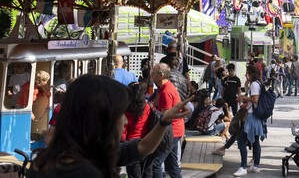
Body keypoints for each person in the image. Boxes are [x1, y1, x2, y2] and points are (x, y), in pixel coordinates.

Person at [28, 75, 192, 178]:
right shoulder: (85, 172)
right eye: (121, 113)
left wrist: (164, 121)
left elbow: (142, 147)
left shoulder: (75, 155)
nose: (125, 121)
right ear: (101, 119)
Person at [152, 63, 185, 178]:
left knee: (155, 163)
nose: (151, 75)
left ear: (160, 75)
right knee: (172, 165)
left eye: (153, 73)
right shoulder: (164, 88)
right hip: (175, 130)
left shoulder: (166, 91)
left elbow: (165, 116)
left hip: (172, 131)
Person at [233, 65, 267, 177]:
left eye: (247, 73)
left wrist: (244, 98)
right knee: (255, 141)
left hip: (252, 116)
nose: (246, 75)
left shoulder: (253, 84)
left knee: (241, 141)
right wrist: (246, 103)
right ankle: (256, 165)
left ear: (251, 74)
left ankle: (243, 167)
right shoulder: (259, 83)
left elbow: (255, 99)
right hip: (257, 116)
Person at [123, 82, 155, 178]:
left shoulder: (127, 110)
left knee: (134, 175)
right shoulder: (149, 107)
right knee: (147, 174)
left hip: (132, 147)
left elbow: (123, 132)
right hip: (147, 144)